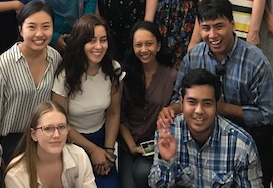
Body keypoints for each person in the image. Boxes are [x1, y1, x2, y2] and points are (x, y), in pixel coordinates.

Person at [158, 0, 273, 186]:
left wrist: (224, 109)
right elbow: (179, 97)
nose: (212, 35)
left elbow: (268, 115)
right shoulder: (194, 57)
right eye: (206, 28)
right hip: (201, 140)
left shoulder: (256, 62)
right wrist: (170, 110)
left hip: (246, 142)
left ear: (232, 24)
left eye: (219, 26)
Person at [150, 68, 262, 187]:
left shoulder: (241, 145)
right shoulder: (168, 132)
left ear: (217, 105)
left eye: (207, 103)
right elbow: (156, 185)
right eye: (192, 102)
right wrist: (166, 161)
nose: (199, 111)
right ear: (181, 103)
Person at [0, 0, 62, 162]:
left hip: (44, 137)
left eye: (46, 27)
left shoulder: (56, 58)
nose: (39, 34)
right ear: (20, 29)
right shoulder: (2, 65)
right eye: (32, 27)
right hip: (10, 143)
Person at [52, 14, 124, 188]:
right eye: (91, 41)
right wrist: (93, 150)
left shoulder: (114, 70)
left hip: (102, 137)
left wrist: (107, 151)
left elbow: (113, 113)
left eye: (103, 40)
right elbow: (60, 123)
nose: (98, 46)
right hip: (70, 140)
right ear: (80, 43)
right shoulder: (65, 76)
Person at [119, 21, 177, 188]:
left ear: (158, 46)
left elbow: (181, 103)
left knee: (142, 173)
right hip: (128, 143)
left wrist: (171, 109)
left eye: (149, 44)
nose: (144, 49)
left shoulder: (171, 76)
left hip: (156, 144)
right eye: (139, 45)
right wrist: (132, 146)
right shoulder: (124, 75)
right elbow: (119, 115)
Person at [5, 100, 96, 187]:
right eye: (48, 129)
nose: (56, 135)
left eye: (61, 127)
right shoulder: (16, 175)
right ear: (34, 135)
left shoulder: (79, 156)